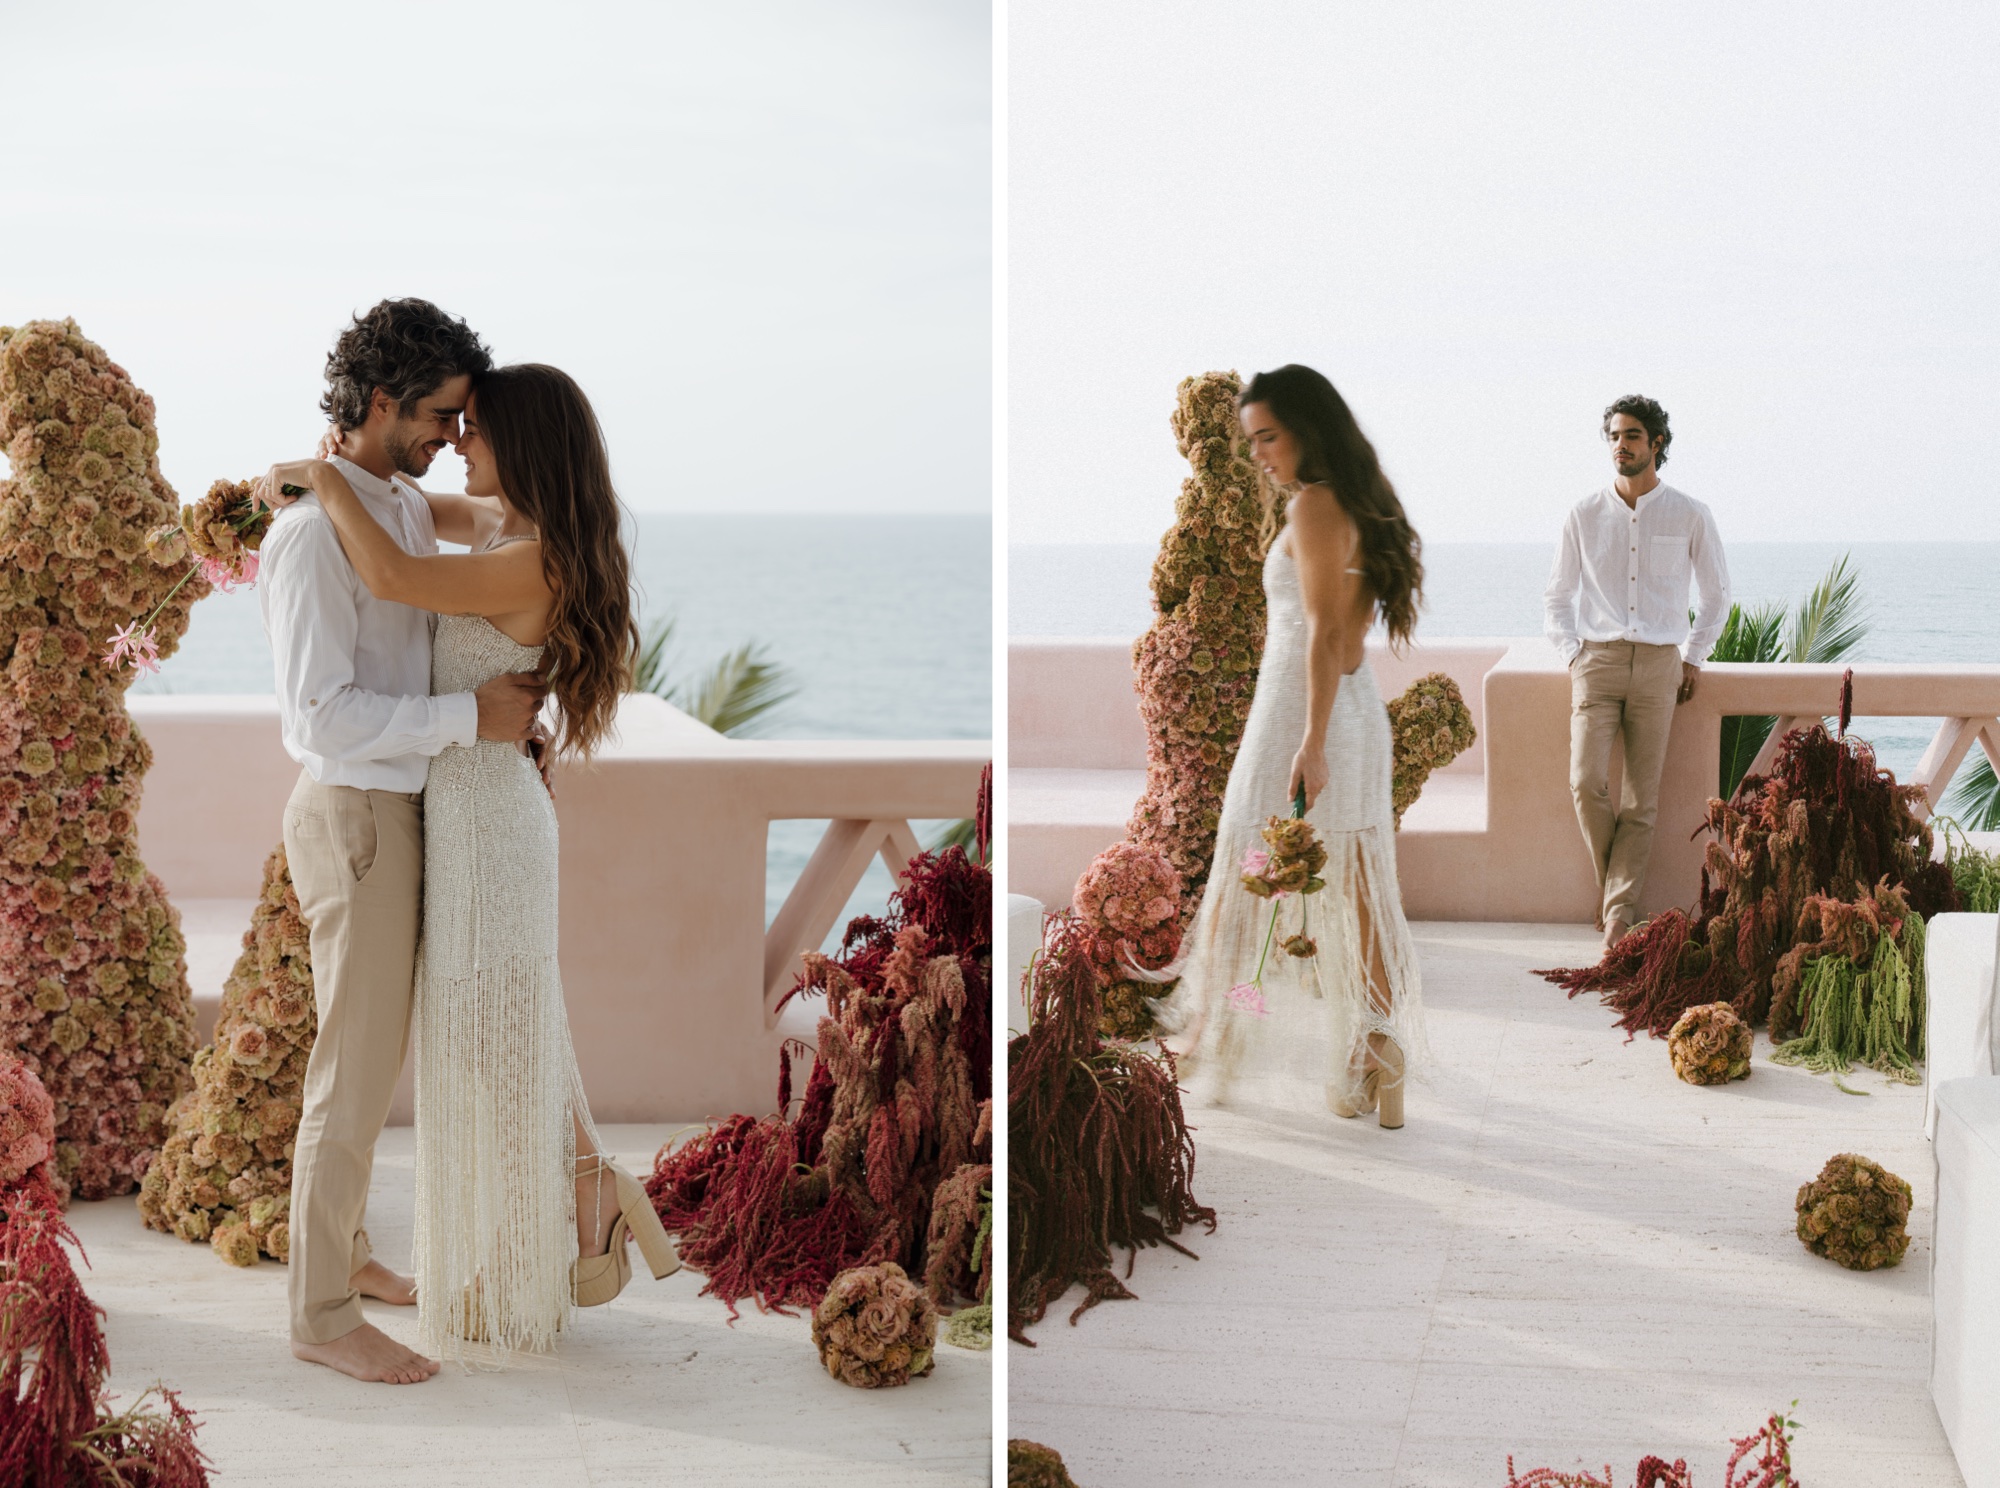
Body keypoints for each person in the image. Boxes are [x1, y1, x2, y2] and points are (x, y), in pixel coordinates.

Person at [257, 358, 681, 1367]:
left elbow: (398, 576)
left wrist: (320, 478)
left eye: (476, 428)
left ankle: (531, 1240)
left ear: (522, 448)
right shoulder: (485, 525)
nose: (458, 441)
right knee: (499, 1038)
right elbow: (398, 512)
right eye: (451, 421)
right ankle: (580, 1190)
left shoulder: (525, 555)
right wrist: (321, 481)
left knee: (494, 1047)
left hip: (485, 824)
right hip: (455, 810)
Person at [259, 298, 538, 1383]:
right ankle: (320, 1317)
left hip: (402, 812)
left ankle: (353, 1255)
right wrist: (471, 720)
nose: (450, 439)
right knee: (353, 1069)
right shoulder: (312, 539)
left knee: (372, 1061)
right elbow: (316, 721)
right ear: (381, 403)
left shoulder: (401, 514)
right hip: (357, 817)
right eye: (437, 415)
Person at [1166, 365, 1430, 1129]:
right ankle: (1377, 1054)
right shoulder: (1357, 501)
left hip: (1302, 717)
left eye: (1269, 437)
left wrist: (1310, 743)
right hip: (1353, 713)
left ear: (1308, 429)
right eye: (1253, 440)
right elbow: (1347, 640)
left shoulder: (1314, 504)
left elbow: (1321, 633)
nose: (1259, 455)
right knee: (1356, 888)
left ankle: (1208, 1036)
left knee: (1246, 869)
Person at [1543, 395, 1730, 953]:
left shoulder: (1689, 513)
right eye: (1614, 437)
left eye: (1631, 436)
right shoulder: (1583, 514)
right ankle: (1617, 900)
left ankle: (1617, 919)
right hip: (1595, 663)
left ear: (1657, 444)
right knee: (1584, 782)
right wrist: (1572, 655)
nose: (1620, 446)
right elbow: (1557, 596)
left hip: (1657, 667)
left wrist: (1694, 656)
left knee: (1640, 801)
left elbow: (1717, 595)